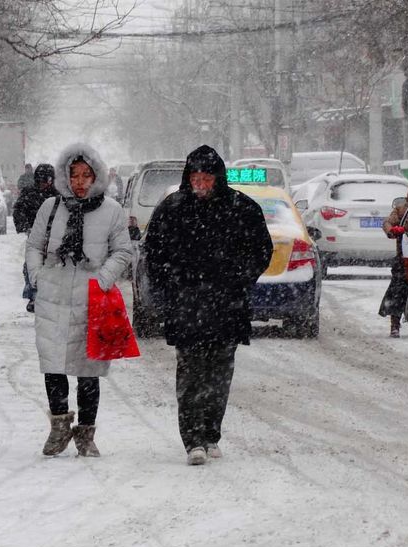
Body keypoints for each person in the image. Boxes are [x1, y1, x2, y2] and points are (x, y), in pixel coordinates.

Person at [143, 144, 272, 466]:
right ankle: (192, 440)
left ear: (218, 178)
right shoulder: (172, 210)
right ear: (189, 178)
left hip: (227, 306)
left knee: (218, 375)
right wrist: (170, 290)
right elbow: (154, 256)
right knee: (189, 375)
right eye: (196, 178)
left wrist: (238, 280)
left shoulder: (242, 209)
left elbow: (260, 251)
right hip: (186, 307)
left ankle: (211, 433)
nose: (201, 184)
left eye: (207, 178)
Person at [26, 144, 132, 457]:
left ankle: (86, 433)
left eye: (87, 175)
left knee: (89, 371)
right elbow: (33, 246)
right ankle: (59, 426)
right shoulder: (50, 207)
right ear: (65, 176)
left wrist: (101, 279)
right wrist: (37, 276)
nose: (80, 182)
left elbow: (123, 251)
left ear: (97, 176)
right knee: (53, 365)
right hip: (53, 298)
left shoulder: (111, 210)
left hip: (92, 301)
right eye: (74, 175)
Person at [13, 163, 58, 312]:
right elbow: (18, 210)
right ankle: (32, 293)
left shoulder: (59, 195)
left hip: (56, 236)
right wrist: (25, 226)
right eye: (41, 181)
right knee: (30, 265)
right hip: (35, 235)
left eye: (47, 181)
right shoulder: (29, 193)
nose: (44, 184)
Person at [379, 184, 408, 337]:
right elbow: (387, 223)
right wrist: (393, 230)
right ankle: (395, 325)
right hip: (404, 260)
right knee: (398, 292)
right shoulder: (402, 210)